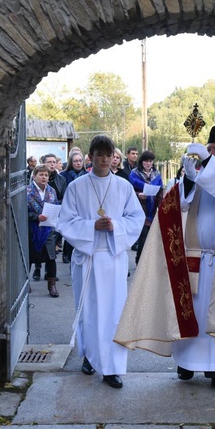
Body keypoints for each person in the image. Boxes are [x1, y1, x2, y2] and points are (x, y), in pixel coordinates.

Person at [115, 122, 215, 389]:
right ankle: (187, 365)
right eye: (208, 148)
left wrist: (206, 165)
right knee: (190, 314)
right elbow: (181, 204)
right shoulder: (201, 174)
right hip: (195, 257)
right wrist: (188, 179)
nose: (209, 153)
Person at [56, 135, 144, 389]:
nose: (105, 160)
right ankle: (90, 357)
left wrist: (115, 226)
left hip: (113, 259)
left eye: (108, 155)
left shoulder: (123, 186)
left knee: (113, 315)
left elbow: (135, 219)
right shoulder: (77, 187)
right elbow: (66, 222)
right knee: (89, 313)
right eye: (99, 155)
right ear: (90, 157)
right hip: (88, 259)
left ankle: (112, 368)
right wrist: (91, 226)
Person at [27, 164, 60, 297]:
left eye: (46, 175)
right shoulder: (27, 191)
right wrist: (36, 217)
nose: (44, 177)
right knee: (29, 258)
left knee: (51, 257)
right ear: (34, 176)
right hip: (33, 230)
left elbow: (56, 205)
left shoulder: (51, 191)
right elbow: (23, 211)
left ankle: (52, 285)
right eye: (41, 174)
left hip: (48, 229)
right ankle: (25, 284)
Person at [128, 150, 163, 265]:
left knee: (150, 237)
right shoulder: (134, 173)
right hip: (140, 209)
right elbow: (130, 191)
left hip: (152, 210)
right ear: (141, 162)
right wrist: (138, 195)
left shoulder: (156, 175)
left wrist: (160, 203)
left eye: (150, 161)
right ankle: (139, 261)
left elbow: (160, 191)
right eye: (146, 161)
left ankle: (148, 263)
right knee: (143, 237)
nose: (148, 164)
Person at [60, 151, 87, 264]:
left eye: (80, 161)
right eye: (75, 161)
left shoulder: (87, 175)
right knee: (70, 231)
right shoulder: (63, 176)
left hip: (83, 206)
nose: (78, 163)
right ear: (71, 162)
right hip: (69, 206)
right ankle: (68, 254)